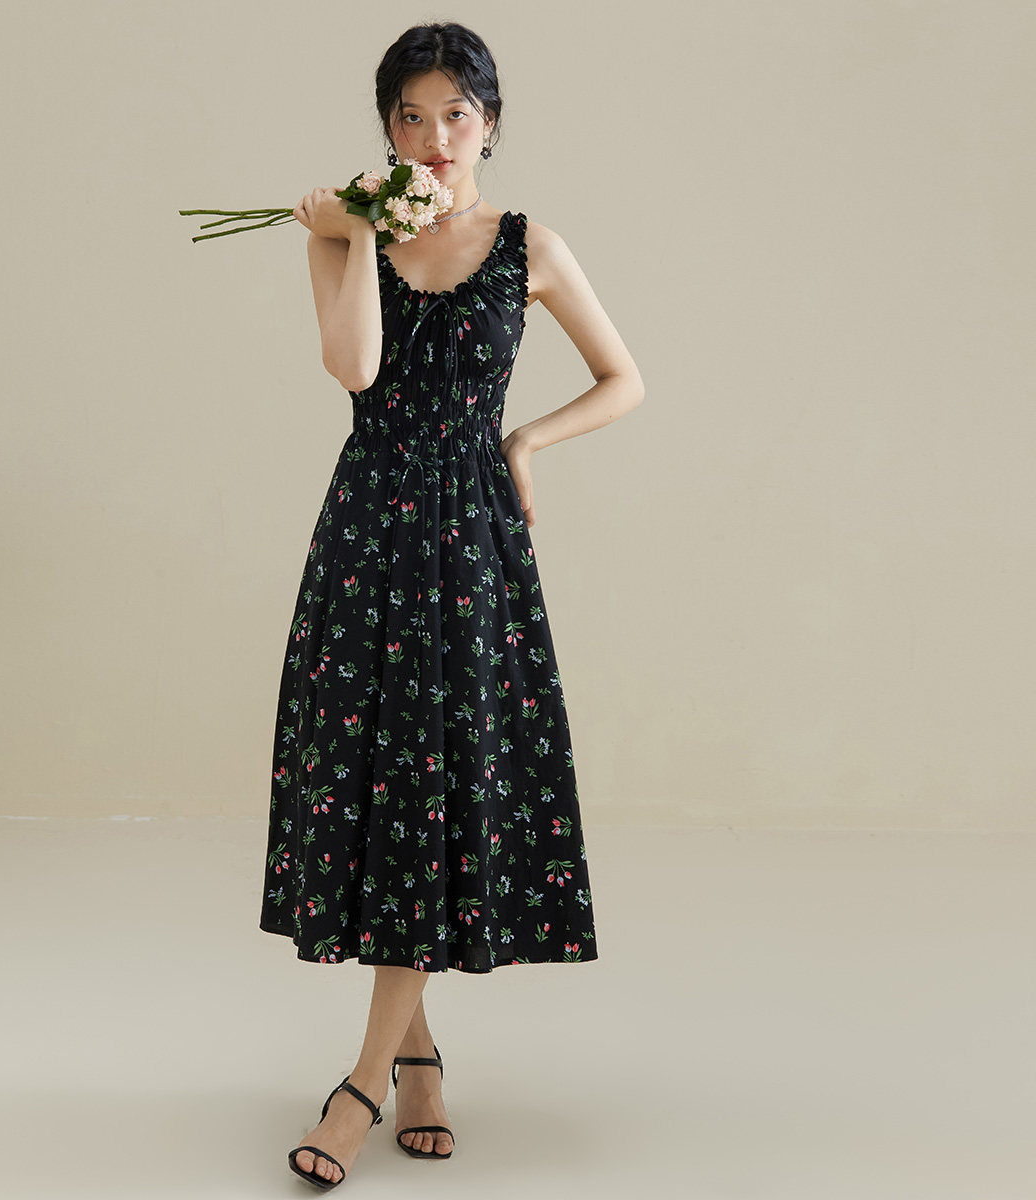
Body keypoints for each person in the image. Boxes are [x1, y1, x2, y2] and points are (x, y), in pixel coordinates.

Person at [259, 20, 646, 1189]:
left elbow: (624, 379)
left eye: (456, 115)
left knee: (438, 785)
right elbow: (356, 371)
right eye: (411, 117)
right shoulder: (345, 230)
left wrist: (525, 440)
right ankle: (417, 1058)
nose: (435, 137)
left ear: (491, 123)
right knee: (382, 781)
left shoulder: (529, 245)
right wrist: (356, 231)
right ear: (388, 127)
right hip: (367, 530)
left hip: (471, 537)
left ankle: (363, 1083)